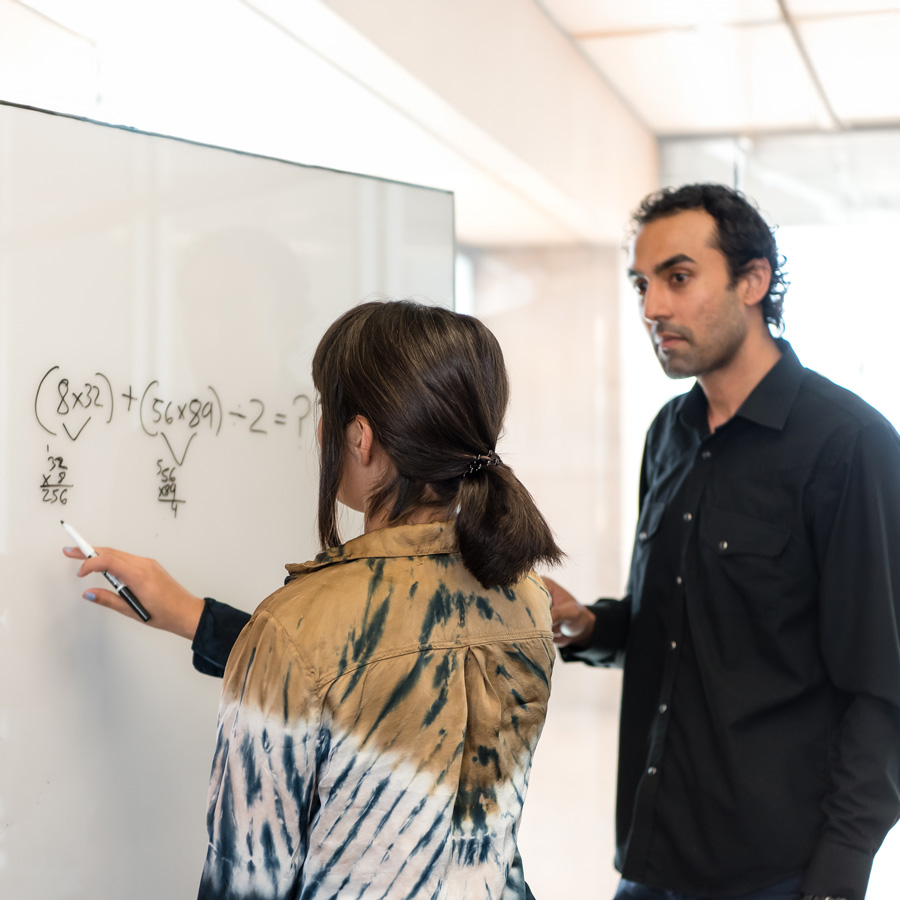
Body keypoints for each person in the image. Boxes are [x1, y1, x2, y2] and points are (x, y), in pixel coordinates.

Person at [65, 299, 562, 900]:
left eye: (327, 408)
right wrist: (194, 618)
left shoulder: (297, 625)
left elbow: (245, 878)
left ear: (360, 437)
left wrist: (259, 644)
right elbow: (371, 673)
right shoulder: (527, 599)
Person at [547, 183, 900, 900]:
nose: (651, 309)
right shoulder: (669, 435)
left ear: (753, 282)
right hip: (650, 858)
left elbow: (882, 686)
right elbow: (672, 626)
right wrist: (589, 624)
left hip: (779, 874)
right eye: (642, 285)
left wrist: (839, 874)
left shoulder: (850, 445)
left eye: (678, 278)